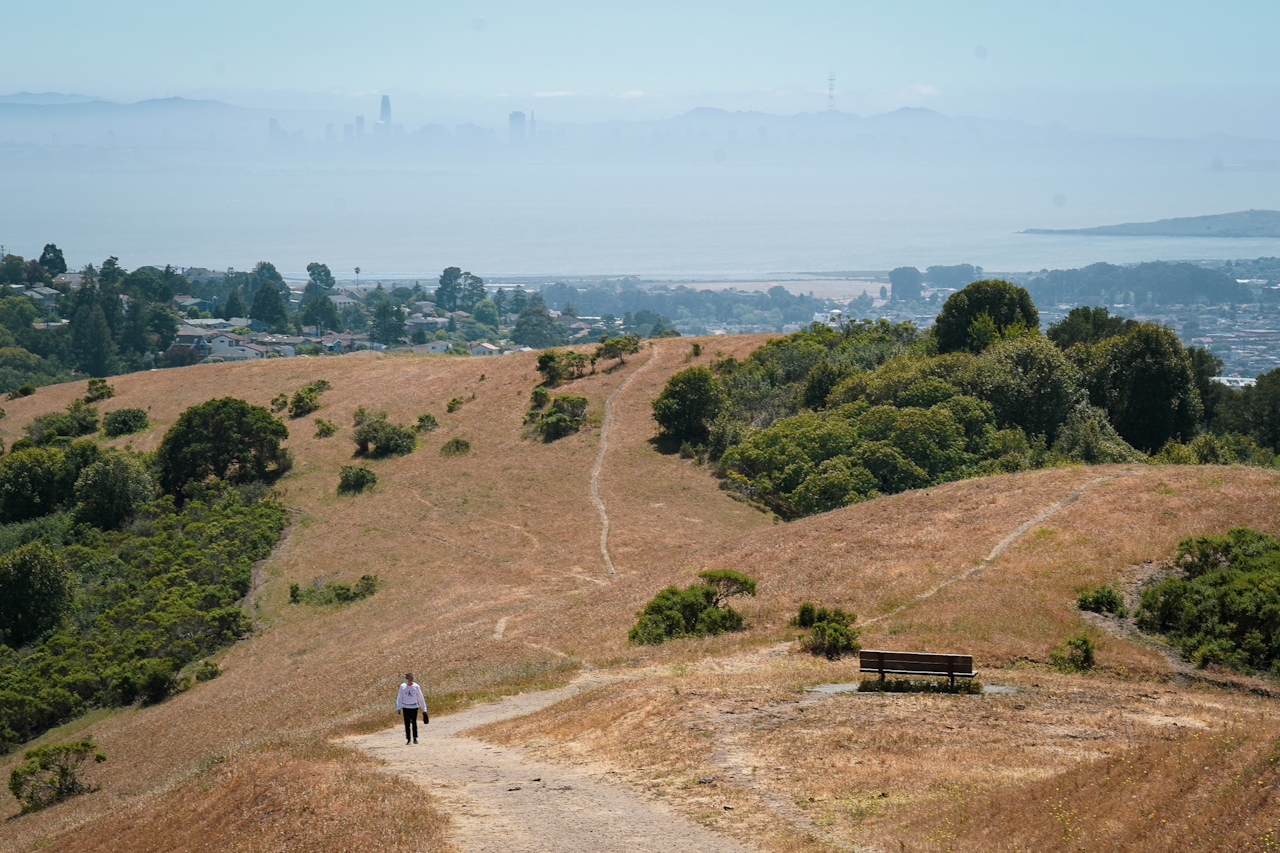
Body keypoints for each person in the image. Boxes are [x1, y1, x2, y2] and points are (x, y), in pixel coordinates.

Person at [395, 672, 428, 744]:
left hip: (414, 707)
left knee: (414, 723)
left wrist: (424, 709)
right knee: (407, 723)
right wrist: (398, 707)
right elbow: (400, 697)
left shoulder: (416, 687)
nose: (405, 680)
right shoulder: (402, 686)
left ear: (411, 679)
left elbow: (420, 698)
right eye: (405, 678)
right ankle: (408, 739)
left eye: (407, 678)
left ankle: (415, 738)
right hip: (406, 707)